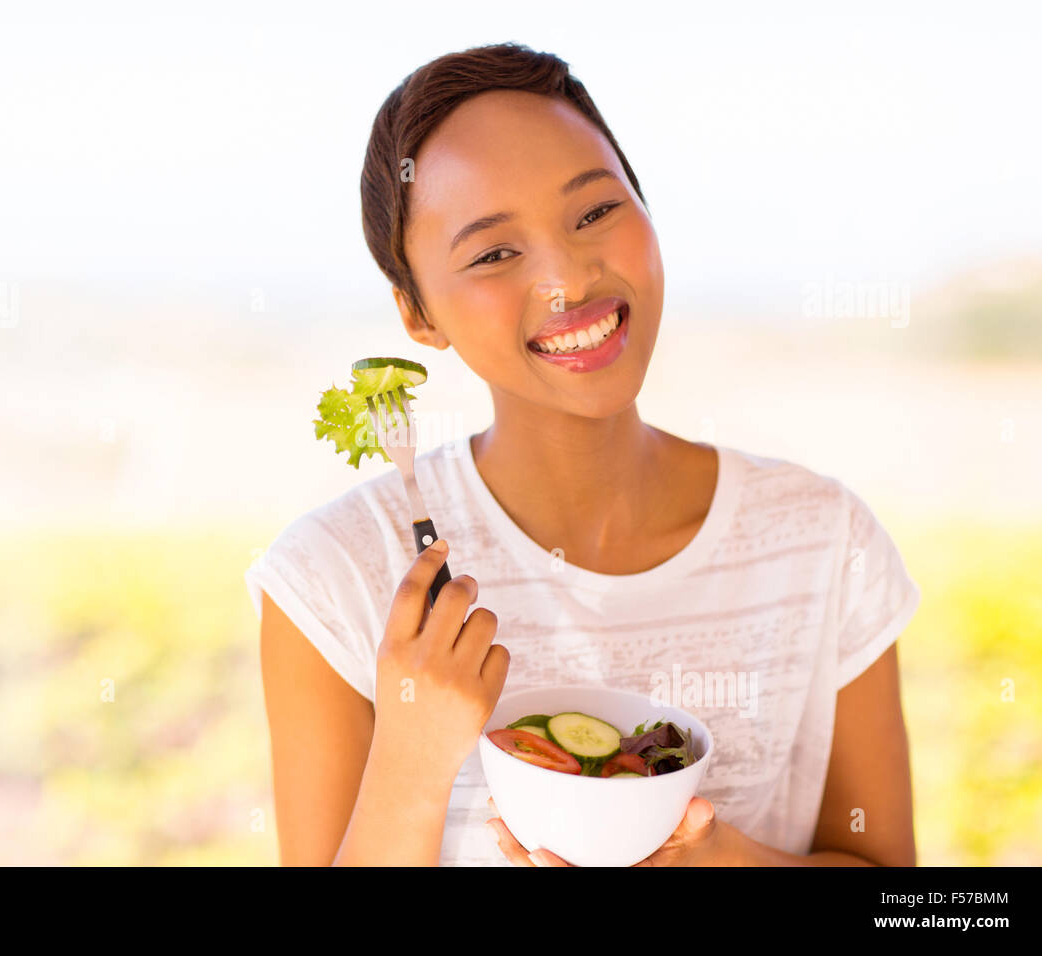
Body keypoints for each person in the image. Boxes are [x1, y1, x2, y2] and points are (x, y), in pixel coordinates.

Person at [244, 42, 920, 866]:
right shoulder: (334, 577)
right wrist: (413, 763)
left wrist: (718, 860)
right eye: (494, 253)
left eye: (595, 212)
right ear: (418, 315)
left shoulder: (822, 542)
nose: (567, 279)